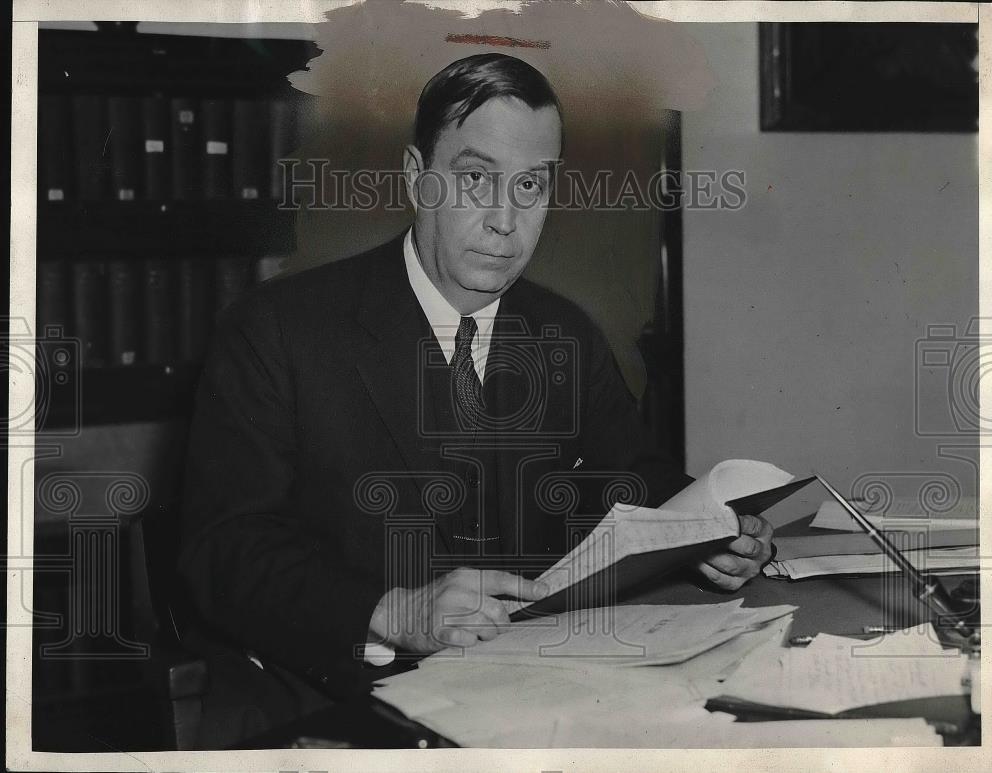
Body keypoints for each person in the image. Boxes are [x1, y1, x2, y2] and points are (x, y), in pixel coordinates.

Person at [178, 53, 774, 727]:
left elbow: (630, 477)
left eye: (531, 186)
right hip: (330, 704)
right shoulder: (278, 329)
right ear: (417, 178)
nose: (504, 220)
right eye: (475, 178)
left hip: (531, 695)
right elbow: (223, 545)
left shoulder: (565, 333)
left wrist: (705, 532)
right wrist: (392, 610)